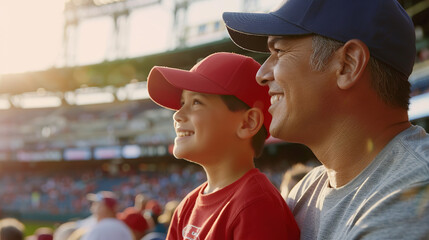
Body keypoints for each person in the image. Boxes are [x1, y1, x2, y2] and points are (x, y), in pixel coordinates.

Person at [222, 0, 429, 239]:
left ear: (347, 65)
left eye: (278, 51)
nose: (261, 74)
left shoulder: (414, 190)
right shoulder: (305, 191)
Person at [147, 52, 300, 239]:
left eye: (196, 102)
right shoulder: (187, 206)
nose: (177, 115)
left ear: (248, 123)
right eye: (182, 103)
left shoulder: (256, 205)